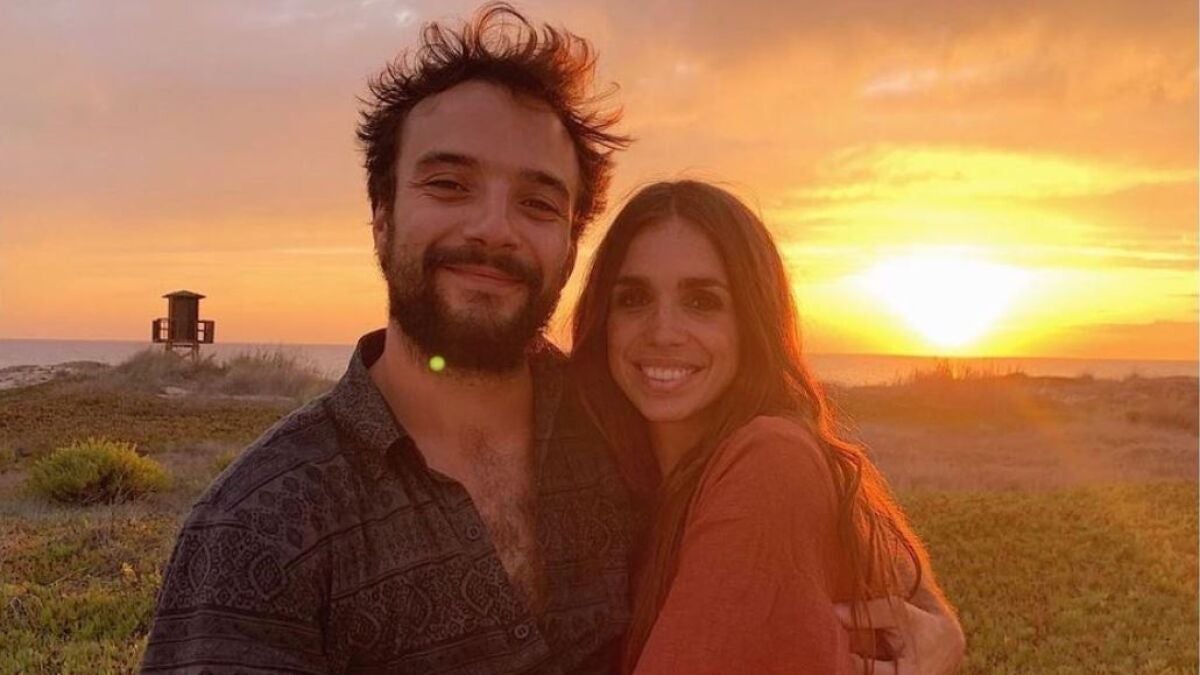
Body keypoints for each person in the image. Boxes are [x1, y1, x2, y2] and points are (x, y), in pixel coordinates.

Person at [142, 4, 962, 674]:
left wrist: (937, 628)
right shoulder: (262, 525)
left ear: (571, 245)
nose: (493, 228)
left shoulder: (620, 423)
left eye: (537, 202)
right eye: (449, 183)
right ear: (381, 213)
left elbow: (810, 508)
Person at [570, 180, 965, 674]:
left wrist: (942, 628)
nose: (663, 332)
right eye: (633, 299)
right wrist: (945, 628)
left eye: (701, 302)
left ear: (752, 320)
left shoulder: (770, 456)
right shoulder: (638, 474)